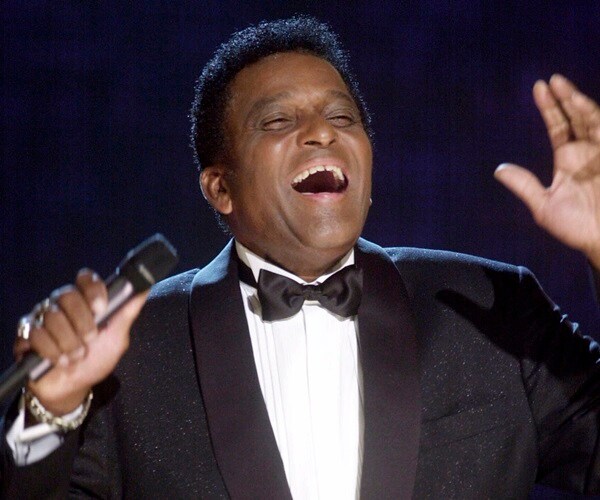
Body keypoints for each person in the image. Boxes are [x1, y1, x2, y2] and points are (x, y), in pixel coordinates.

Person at [2, 15, 600, 499]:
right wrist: (51, 406)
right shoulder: (133, 349)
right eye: (278, 120)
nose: (322, 132)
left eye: (342, 116)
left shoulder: (490, 307)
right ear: (220, 188)